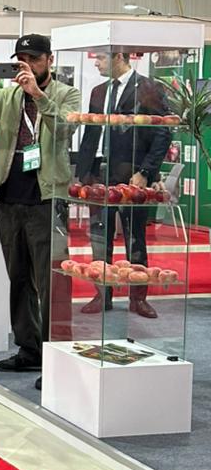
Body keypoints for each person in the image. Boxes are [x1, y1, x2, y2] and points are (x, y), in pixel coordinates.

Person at [0, 35, 79, 375]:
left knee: (52, 281)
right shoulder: (6, 96)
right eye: (21, 59)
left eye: (34, 58)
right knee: (18, 277)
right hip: (9, 193)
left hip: (47, 196)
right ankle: (29, 348)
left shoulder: (66, 93)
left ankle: (56, 357)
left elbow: (65, 130)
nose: (27, 65)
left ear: (49, 59)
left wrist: (38, 95)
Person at [75, 50, 170, 318]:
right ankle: (102, 295)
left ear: (119, 56)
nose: (95, 63)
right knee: (99, 238)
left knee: (135, 238)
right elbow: (91, 132)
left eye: (101, 58)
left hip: (132, 177)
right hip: (98, 175)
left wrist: (145, 172)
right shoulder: (98, 92)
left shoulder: (149, 88)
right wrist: (84, 172)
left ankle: (138, 299)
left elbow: (162, 131)